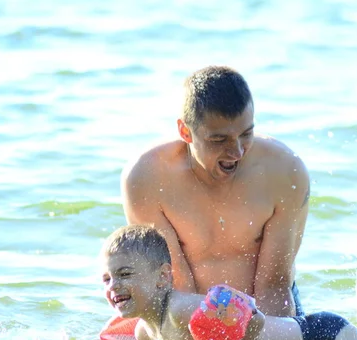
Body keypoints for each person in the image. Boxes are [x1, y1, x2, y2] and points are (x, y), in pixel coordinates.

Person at [121, 65, 309, 316]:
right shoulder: (146, 178)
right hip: (184, 307)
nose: (237, 151)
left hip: (264, 310)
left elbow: (274, 286)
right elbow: (175, 285)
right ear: (185, 131)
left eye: (246, 134)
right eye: (219, 140)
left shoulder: (285, 171)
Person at [100, 225, 357, 340]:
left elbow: (254, 321)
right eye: (107, 279)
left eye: (125, 275)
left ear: (163, 276)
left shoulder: (182, 311)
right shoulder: (144, 333)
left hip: (322, 337)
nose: (113, 286)